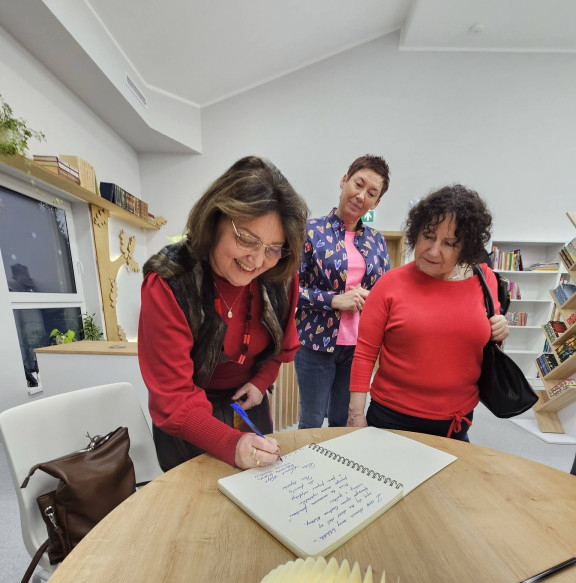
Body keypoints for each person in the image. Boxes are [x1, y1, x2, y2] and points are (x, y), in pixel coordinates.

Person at [138, 156, 308, 471]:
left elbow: (283, 346)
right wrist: (231, 443)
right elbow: (173, 398)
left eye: (273, 247)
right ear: (215, 219)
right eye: (246, 239)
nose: (257, 261)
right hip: (186, 418)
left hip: (246, 404)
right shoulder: (170, 281)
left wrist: (261, 382)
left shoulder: (280, 276)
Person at [348, 184, 509, 441]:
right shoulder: (390, 284)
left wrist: (499, 329)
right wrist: (356, 414)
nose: (434, 250)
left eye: (450, 243)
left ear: (466, 247)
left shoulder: (484, 280)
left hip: (455, 423)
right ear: (415, 233)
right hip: (392, 418)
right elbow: (365, 353)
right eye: (428, 235)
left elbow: (486, 337)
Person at [294, 155, 391, 428]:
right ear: (344, 180)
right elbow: (289, 290)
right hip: (315, 344)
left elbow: (385, 291)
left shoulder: (376, 240)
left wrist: (372, 297)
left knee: (342, 420)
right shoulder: (310, 231)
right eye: (358, 184)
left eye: (371, 193)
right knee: (312, 420)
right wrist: (335, 300)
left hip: (359, 347)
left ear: (377, 202)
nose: (361, 196)